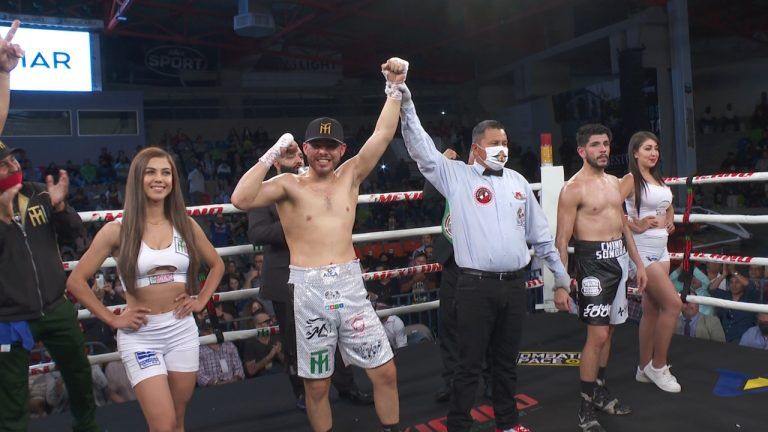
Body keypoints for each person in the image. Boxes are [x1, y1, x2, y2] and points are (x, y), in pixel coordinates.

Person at [232, 57, 407, 432]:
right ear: (306, 149)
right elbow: (241, 199)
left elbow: (382, 135)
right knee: (317, 385)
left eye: (331, 145)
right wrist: (271, 155)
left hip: (349, 284)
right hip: (308, 289)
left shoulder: (351, 175)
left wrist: (394, 88)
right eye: (317, 145)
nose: (323, 152)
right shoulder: (287, 185)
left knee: (386, 371)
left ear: (341, 149)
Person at [397, 83, 571, 432]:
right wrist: (406, 100)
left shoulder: (519, 182)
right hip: (474, 286)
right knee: (468, 365)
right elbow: (421, 148)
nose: (502, 149)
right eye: (495, 143)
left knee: (506, 362)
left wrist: (562, 279)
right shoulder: (457, 178)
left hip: (515, 284)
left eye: (505, 143)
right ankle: (459, 426)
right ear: (476, 148)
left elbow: (540, 236)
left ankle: (508, 423)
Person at [66, 147, 225, 431]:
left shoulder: (185, 225)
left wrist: (201, 300)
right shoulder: (118, 230)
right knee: (162, 424)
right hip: (141, 336)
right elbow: (76, 281)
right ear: (138, 178)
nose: (159, 178)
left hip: (181, 331)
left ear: (174, 180)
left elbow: (217, 265)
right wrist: (113, 318)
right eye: (151, 172)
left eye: (166, 172)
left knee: (177, 420)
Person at [0, 20, 99, 432]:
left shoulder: (39, 192)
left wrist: (60, 208)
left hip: (57, 307)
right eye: (6, 164)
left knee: (80, 376)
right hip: (9, 316)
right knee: (11, 398)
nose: (15, 166)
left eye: (15, 159)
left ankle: (89, 428)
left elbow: (75, 234)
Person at [247, 144, 372, 410]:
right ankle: (303, 394)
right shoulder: (268, 189)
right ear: (276, 164)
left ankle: (347, 386)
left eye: (298, 156)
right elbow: (257, 232)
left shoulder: (321, 184)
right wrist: (300, 218)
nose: (296, 161)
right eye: (288, 157)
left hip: (327, 276)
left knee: (336, 334)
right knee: (295, 342)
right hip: (286, 278)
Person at [554, 124, 647, 432]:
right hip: (592, 265)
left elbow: (623, 228)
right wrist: (560, 282)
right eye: (596, 145)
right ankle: (584, 408)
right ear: (582, 151)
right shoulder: (573, 189)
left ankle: (599, 392)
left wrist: (639, 265)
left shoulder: (615, 184)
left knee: (611, 332)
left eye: (606, 144)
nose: (604, 149)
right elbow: (561, 240)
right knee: (598, 336)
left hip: (618, 261)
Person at [618, 131, 682, 393]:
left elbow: (667, 203)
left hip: (662, 249)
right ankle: (659, 366)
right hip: (641, 252)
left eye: (655, 148)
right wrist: (637, 223)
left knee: (653, 309)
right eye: (647, 149)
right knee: (673, 304)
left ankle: (643, 368)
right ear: (635, 153)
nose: (653, 153)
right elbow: (613, 209)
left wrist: (671, 217)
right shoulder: (630, 179)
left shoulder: (657, 179)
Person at [421, 151, 461, 403]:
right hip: (452, 261)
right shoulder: (452, 177)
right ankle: (452, 380)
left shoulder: (489, 180)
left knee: (484, 325)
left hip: (479, 261)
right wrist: (440, 161)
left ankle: (490, 378)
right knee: (448, 325)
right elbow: (429, 194)